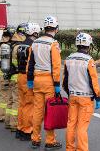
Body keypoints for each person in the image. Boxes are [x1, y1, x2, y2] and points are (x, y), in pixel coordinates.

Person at [27, 16, 62, 150]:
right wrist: (57, 85)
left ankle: (35, 139)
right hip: (49, 81)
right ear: (56, 29)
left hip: (36, 80)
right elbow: (56, 66)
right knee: (50, 112)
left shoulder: (35, 43)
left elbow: (30, 63)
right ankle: (50, 141)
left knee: (37, 111)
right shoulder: (53, 44)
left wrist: (30, 80)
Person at [63, 32, 100, 151]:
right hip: (86, 98)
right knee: (82, 126)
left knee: (71, 123)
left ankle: (70, 148)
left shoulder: (68, 58)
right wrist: (98, 97)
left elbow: (65, 80)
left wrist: (69, 93)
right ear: (88, 45)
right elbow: (93, 82)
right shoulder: (89, 60)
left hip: (72, 96)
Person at [16, 22, 41, 141]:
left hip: (20, 76)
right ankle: (27, 130)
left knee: (22, 104)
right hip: (27, 77)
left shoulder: (21, 45)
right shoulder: (32, 46)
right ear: (34, 32)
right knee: (29, 105)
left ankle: (20, 128)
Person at [4, 23, 27, 131]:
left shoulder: (11, 45)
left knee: (10, 100)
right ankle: (14, 124)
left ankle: (8, 122)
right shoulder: (19, 47)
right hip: (17, 76)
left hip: (10, 75)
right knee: (17, 101)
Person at [0, 26, 15, 121]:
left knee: (0, 94)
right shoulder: (6, 46)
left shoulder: (0, 44)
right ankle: (1, 116)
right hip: (4, 72)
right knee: (4, 95)